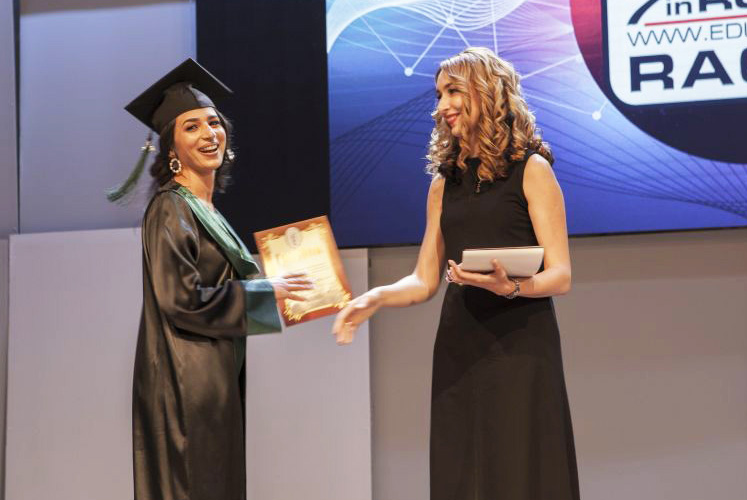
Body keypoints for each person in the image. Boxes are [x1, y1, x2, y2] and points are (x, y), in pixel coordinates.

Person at [333, 47, 579, 499]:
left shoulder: (533, 170)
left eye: (453, 91)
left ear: (487, 94)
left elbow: (560, 274)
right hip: (460, 343)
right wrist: (373, 298)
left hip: (521, 343)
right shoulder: (443, 183)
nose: (441, 105)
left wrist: (513, 287)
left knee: (520, 468)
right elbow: (424, 280)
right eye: (439, 94)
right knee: (463, 469)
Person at [109, 59, 312, 500]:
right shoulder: (170, 208)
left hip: (210, 376)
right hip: (183, 383)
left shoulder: (205, 210)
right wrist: (262, 294)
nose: (209, 134)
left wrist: (279, 286)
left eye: (214, 123)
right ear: (170, 147)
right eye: (191, 127)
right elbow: (180, 300)